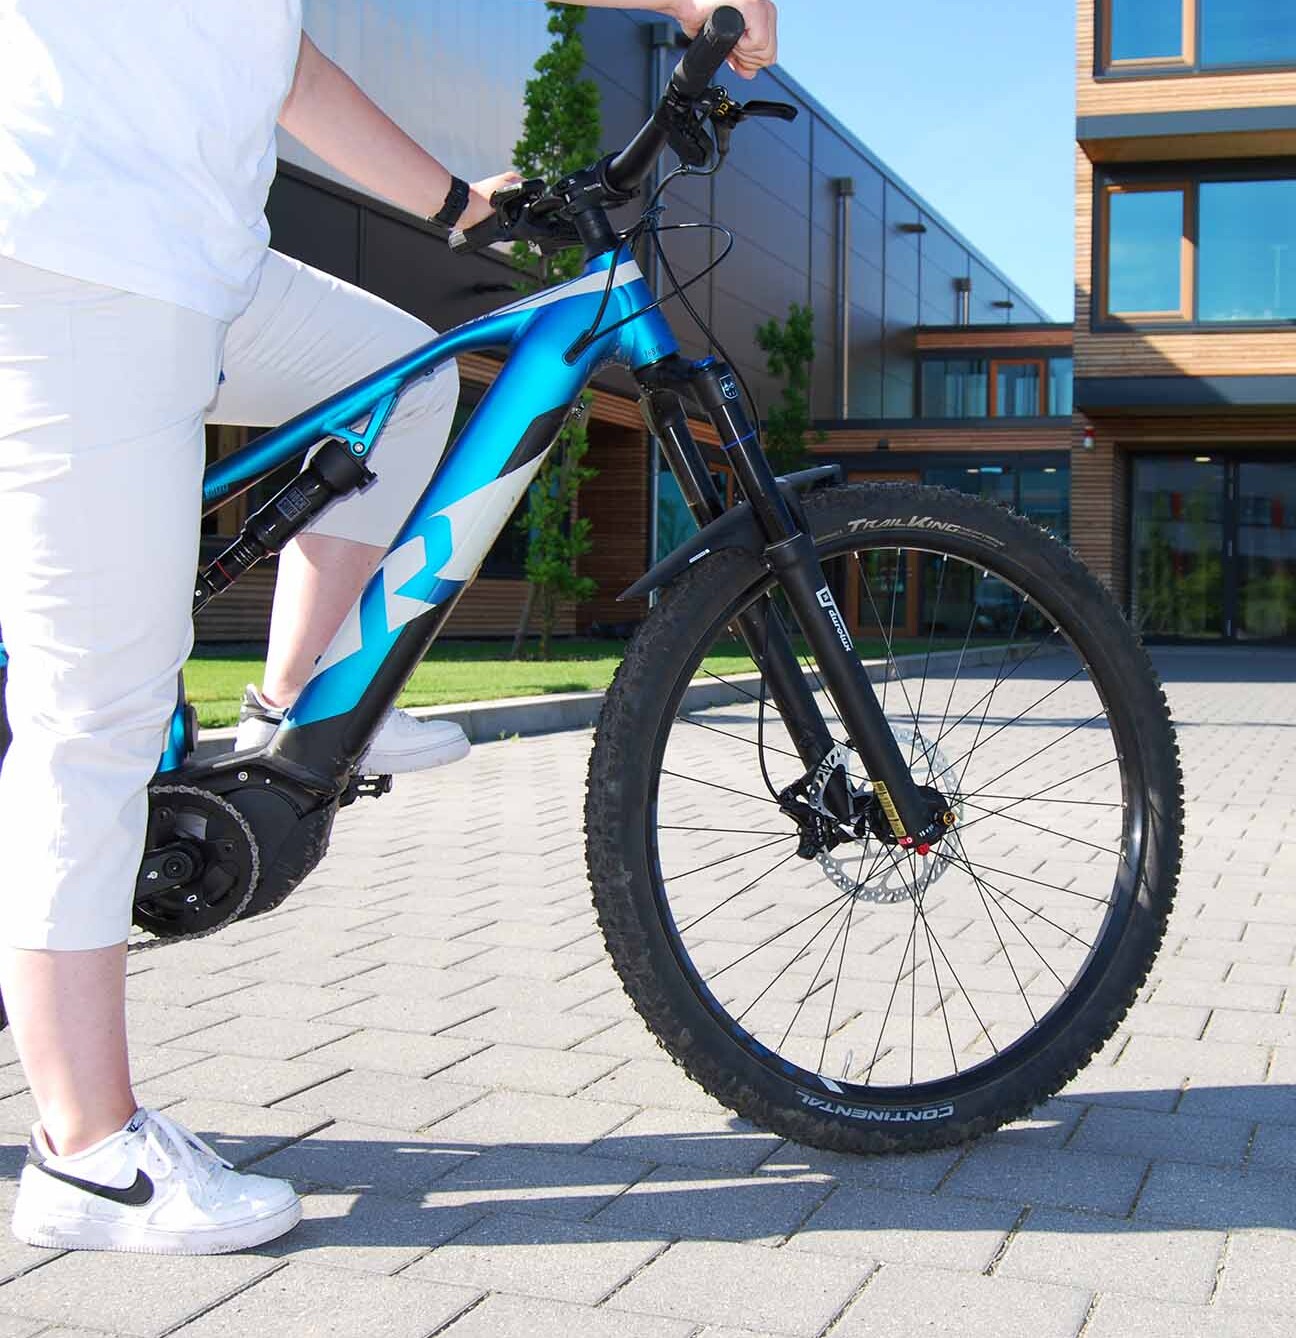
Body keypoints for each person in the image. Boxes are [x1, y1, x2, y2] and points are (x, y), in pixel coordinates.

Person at [0, 0, 778, 1256]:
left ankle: (291, 711)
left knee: (407, 374)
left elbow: (282, 67)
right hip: (72, 253)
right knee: (95, 711)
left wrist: (463, 209)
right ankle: (87, 1155)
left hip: (195, 261)